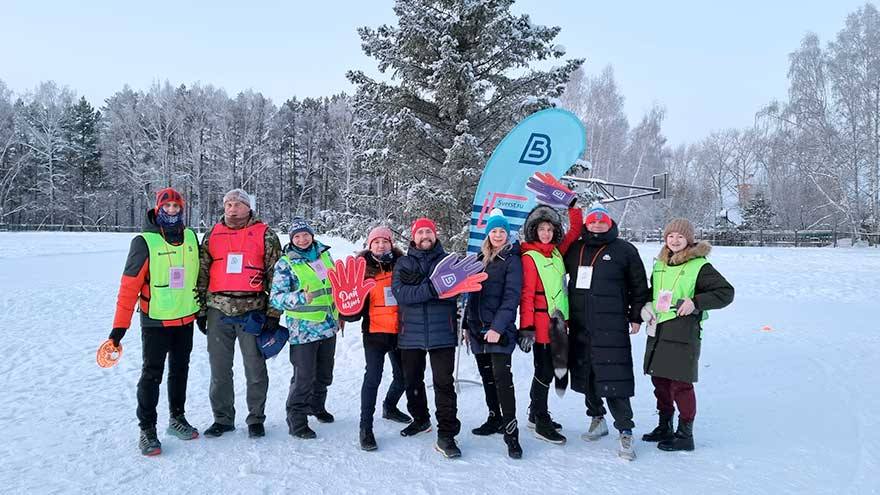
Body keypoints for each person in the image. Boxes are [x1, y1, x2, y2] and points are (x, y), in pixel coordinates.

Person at [109, 187, 201, 456]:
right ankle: (147, 429)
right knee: (152, 374)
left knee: (180, 370)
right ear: (158, 208)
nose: (172, 210)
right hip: (156, 321)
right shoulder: (144, 242)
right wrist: (119, 327)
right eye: (167, 206)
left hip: (185, 317)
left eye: (176, 206)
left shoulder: (190, 237)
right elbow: (128, 287)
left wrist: (202, 312)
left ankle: (177, 418)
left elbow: (199, 278)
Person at [562, 203, 650, 461]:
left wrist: (635, 317)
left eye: (602, 221)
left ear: (609, 223)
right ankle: (596, 418)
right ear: (587, 224)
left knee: (614, 375)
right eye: (593, 221)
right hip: (580, 324)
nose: (597, 225)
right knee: (586, 372)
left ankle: (625, 429)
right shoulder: (576, 249)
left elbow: (638, 285)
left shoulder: (624, 250)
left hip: (611, 325)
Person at [641, 218, 734, 452]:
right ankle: (665, 426)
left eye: (680, 237)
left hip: (683, 331)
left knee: (680, 385)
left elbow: (726, 292)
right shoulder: (660, 263)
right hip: (659, 329)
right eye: (671, 236)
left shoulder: (699, 266)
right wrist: (646, 306)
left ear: (689, 240)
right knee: (660, 381)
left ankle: (685, 435)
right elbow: (654, 291)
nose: (675, 240)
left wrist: (696, 302)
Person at [196, 188, 282, 439]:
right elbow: (201, 272)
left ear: (248, 207)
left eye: (237, 204)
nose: (232, 209)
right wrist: (201, 310)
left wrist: (273, 314)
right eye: (228, 204)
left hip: (252, 309)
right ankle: (222, 419)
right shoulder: (212, 234)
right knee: (219, 369)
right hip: (217, 309)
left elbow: (276, 275)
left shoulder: (266, 234)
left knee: (255, 368)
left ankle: (256, 417)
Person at [392, 218, 463, 458]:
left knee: (444, 383)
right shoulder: (403, 263)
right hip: (410, 334)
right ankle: (420, 418)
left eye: (429, 231)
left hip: (442, 331)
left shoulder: (448, 261)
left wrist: (436, 290)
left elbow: (454, 294)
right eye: (420, 232)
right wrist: (433, 288)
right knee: (412, 381)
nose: (425, 235)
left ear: (435, 234)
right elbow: (402, 294)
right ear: (413, 236)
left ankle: (447, 434)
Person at [269, 218, 343, 439]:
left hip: (329, 325)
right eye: (297, 236)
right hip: (303, 330)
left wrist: (341, 314)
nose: (302, 239)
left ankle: (316, 406)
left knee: (324, 373)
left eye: (305, 235)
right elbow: (276, 299)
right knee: (304, 377)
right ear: (292, 240)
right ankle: (296, 419)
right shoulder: (286, 263)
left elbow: (336, 286)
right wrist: (300, 297)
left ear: (312, 235)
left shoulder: (325, 255)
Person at [340, 226, 411, 451]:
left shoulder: (403, 265)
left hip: (401, 331)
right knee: (373, 378)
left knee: (404, 377)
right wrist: (347, 310)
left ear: (392, 244)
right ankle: (366, 427)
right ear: (369, 245)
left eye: (385, 241)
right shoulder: (362, 269)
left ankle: (389, 406)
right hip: (375, 332)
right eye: (376, 242)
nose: (381, 245)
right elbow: (353, 309)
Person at [518, 203, 581, 445]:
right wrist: (526, 327)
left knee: (549, 369)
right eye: (542, 229)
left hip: (558, 323)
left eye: (550, 229)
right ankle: (541, 420)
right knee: (545, 371)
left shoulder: (556, 252)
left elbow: (576, 231)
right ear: (534, 231)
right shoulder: (529, 256)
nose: (546, 233)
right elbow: (526, 295)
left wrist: (573, 207)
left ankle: (535, 413)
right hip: (541, 323)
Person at [465, 212, 524, 459]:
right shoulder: (480, 258)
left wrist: (497, 328)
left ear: (506, 233)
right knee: (487, 377)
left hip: (500, 330)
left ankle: (511, 432)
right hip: (478, 329)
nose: (498, 235)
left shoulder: (512, 259)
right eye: (494, 231)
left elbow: (512, 298)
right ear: (488, 233)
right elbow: (471, 294)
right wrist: (468, 326)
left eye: (501, 231)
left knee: (502, 378)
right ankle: (494, 418)